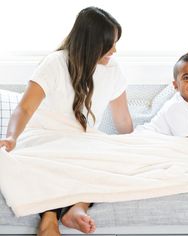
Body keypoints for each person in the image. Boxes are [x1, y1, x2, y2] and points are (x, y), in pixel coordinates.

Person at [0, 7, 133, 236]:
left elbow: (122, 119)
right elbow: (25, 107)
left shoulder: (113, 70)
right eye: (109, 43)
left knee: (107, 162)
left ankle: (77, 209)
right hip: (45, 137)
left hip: (84, 143)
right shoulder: (55, 63)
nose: (115, 49)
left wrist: (131, 145)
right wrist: (12, 136)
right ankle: (49, 218)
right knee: (47, 163)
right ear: (91, 43)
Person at [136, 49, 188, 140]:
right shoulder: (176, 107)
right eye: (186, 77)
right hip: (147, 137)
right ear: (176, 85)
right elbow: (186, 144)